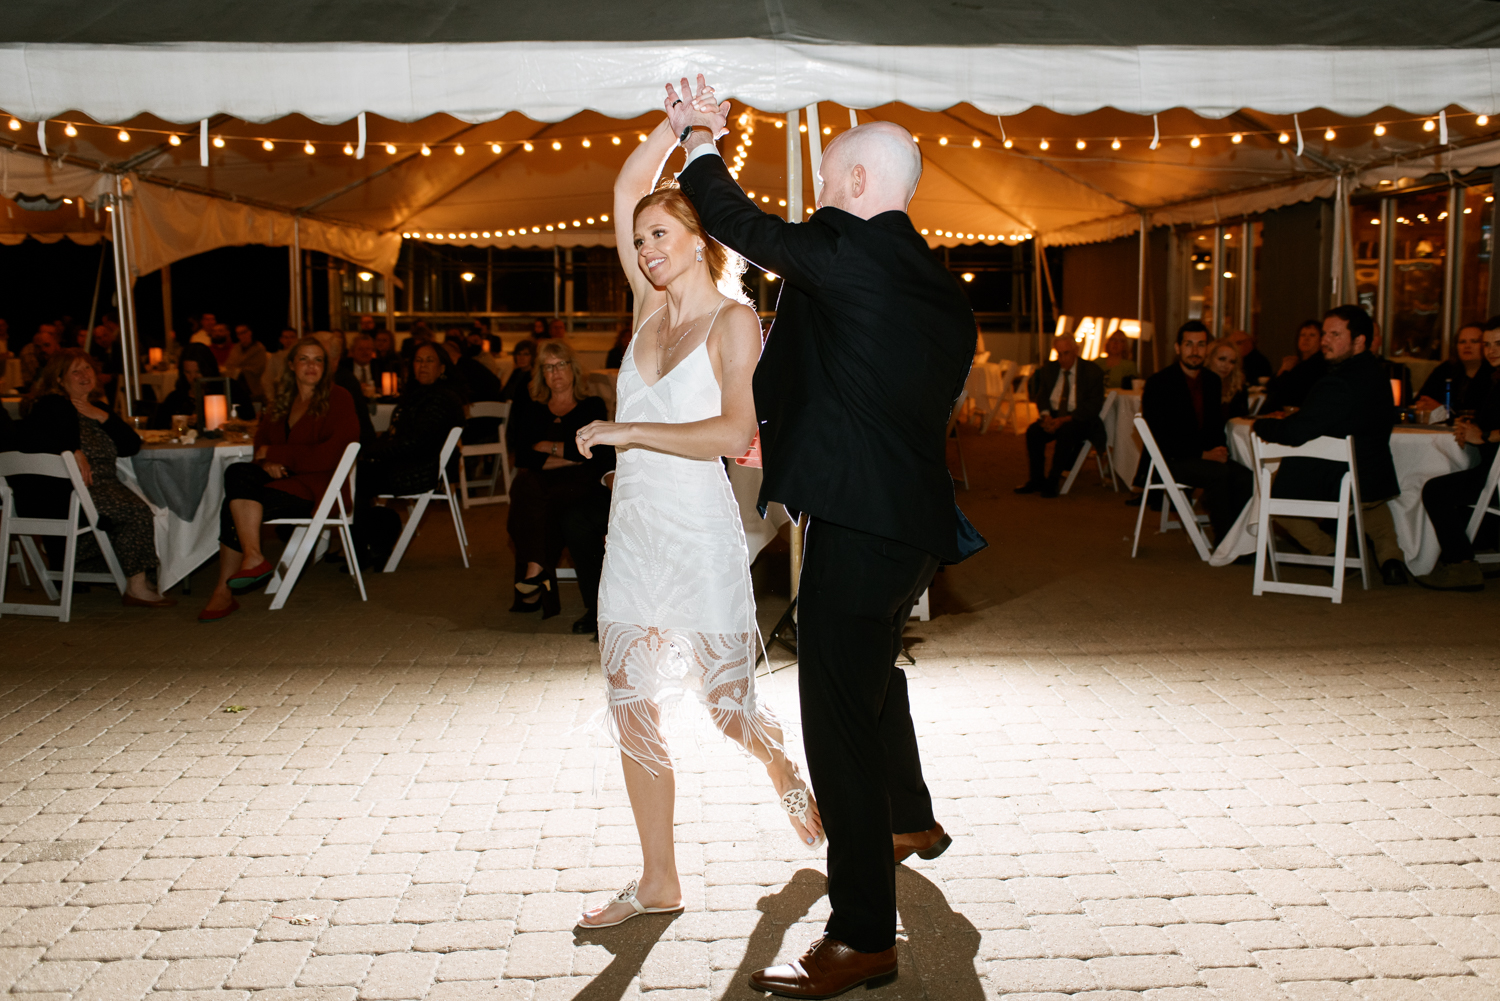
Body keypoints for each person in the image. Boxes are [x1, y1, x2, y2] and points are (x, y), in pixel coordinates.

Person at [662, 76, 983, 995]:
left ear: (846, 177)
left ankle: (862, 937)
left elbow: (740, 224)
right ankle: (912, 816)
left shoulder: (848, 246)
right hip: (911, 525)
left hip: (860, 520)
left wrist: (698, 140)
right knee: (870, 670)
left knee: (832, 722)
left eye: (823, 181)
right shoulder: (939, 286)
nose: (814, 200)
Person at [569, 104, 842, 937]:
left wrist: (626, 429)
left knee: (728, 707)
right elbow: (622, 187)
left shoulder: (733, 322)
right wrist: (673, 122)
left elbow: (732, 433)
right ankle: (658, 880)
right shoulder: (647, 312)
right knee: (630, 702)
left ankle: (781, 762)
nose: (647, 250)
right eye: (641, 238)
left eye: (661, 235)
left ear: (698, 236)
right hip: (636, 537)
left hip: (698, 535)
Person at [197, 337, 361, 621]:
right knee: (236, 473)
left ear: (326, 366)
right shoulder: (281, 402)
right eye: (304, 359)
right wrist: (268, 461)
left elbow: (330, 455)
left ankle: (224, 591)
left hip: (318, 489)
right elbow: (259, 447)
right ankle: (253, 557)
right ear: (291, 365)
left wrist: (276, 453)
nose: (311, 366)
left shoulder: (339, 398)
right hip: (282, 482)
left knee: (233, 504)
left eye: (318, 360)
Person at [1253, 305, 1408, 585]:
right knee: (1370, 505)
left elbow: (1297, 432)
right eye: (1325, 333)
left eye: (1335, 334)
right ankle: (1391, 559)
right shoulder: (1378, 375)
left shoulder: (1338, 382)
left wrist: (1261, 425)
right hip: (1374, 477)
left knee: (1275, 494)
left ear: (1359, 340)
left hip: (1341, 480)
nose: (1325, 340)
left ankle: (1331, 554)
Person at [18, 350, 175, 608]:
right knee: (135, 510)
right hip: (74, 490)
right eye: (75, 371)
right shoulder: (51, 405)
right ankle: (137, 587)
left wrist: (101, 415)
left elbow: (130, 445)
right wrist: (70, 451)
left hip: (105, 486)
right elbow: (32, 439)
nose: (84, 375)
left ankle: (138, 578)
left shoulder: (99, 408)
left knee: (150, 506)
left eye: (87, 369)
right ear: (59, 379)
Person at [504, 341, 613, 623]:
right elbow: (524, 457)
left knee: (530, 494)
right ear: (541, 374)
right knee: (528, 487)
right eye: (548, 367)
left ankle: (535, 574)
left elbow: (594, 456)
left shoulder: (592, 405)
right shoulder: (532, 407)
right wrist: (569, 452)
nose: (556, 372)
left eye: (561, 364)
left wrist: (547, 447)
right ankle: (536, 570)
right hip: (543, 483)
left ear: (573, 369)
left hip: (580, 483)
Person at [351, 341, 467, 570]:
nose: (422, 366)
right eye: (418, 360)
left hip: (421, 469)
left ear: (442, 368)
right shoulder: (417, 394)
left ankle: (363, 545)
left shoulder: (441, 398)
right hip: (410, 462)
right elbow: (399, 437)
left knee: (355, 478)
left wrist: (371, 452)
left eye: (429, 360)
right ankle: (372, 540)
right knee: (356, 475)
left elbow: (416, 442)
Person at [1140, 321, 1254, 544]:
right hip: (1170, 459)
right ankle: (1226, 542)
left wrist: (1219, 449)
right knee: (1218, 475)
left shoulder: (1212, 381)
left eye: (1201, 345)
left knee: (1246, 477)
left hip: (1203, 456)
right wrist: (1204, 454)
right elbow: (1161, 436)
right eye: (1189, 344)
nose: (1194, 351)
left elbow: (1214, 426)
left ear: (1207, 348)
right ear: (1177, 348)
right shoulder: (1159, 383)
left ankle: (1240, 538)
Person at [1416, 322, 1500, 591]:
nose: (1491, 350)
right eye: (1487, 344)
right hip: (1491, 468)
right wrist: (1473, 431)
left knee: (1435, 490)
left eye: (1498, 343)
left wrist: (1485, 437)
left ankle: (1461, 565)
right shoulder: (1494, 377)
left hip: (1496, 477)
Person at [1016, 334, 1105, 497]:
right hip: (1054, 413)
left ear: (1076, 351)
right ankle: (1036, 479)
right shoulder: (1050, 369)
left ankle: (1053, 480)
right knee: (1033, 432)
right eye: (1059, 354)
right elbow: (1042, 396)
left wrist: (1064, 420)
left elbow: (1092, 406)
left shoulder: (1092, 372)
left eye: (1066, 353)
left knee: (1066, 432)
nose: (1062, 359)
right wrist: (1045, 416)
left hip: (1078, 417)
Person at [148, 344, 254, 429]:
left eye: (198, 372)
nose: (193, 377)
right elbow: (158, 425)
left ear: (208, 369)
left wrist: (207, 419)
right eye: (187, 372)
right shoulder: (176, 397)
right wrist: (179, 423)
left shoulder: (228, 388)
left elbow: (249, 417)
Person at [317, 332, 376, 446]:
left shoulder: (344, 384)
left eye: (319, 358)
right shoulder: (299, 385)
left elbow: (357, 429)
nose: (312, 365)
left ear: (335, 360)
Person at [1416, 324, 1491, 414]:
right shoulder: (1445, 369)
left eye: (1474, 341)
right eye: (1462, 342)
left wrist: (1442, 411)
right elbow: (1422, 399)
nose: (1467, 346)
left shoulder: (1493, 374)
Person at [1265, 320, 1327, 412]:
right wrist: (1283, 369)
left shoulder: (1317, 364)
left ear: (1321, 340)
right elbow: (1270, 386)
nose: (1306, 339)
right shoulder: (1297, 363)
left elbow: (1285, 390)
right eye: (1302, 335)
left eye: (1312, 335)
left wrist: (1285, 371)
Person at [1206, 336, 1251, 422]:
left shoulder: (1238, 388)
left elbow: (1242, 420)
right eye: (1222, 359)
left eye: (1232, 362)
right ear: (1209, 359)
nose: (1226, 366)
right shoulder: (1198, 385)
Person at [224, 325, 269, 402]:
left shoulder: (259, 348)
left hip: (254, 386)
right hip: (236, 384)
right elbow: (229, 364)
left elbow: (259, 367)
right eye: (238, 333)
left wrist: (241, 370)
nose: (242, 335)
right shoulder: (236, 348)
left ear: (250, 332)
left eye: (243, 332)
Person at [261, 327, 299, 402]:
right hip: (282, 396)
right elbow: (267, 380)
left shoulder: (302, 356)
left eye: (292, 337)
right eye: (286, 337)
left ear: (296, 339)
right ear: (281, 339)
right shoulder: (275, 357)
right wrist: (271, 399)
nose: (289, 340)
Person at [19, 325, 60, 390]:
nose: (43, 349)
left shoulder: (63, 361)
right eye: (38, 347)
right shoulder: (39, 362)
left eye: (47, 345)